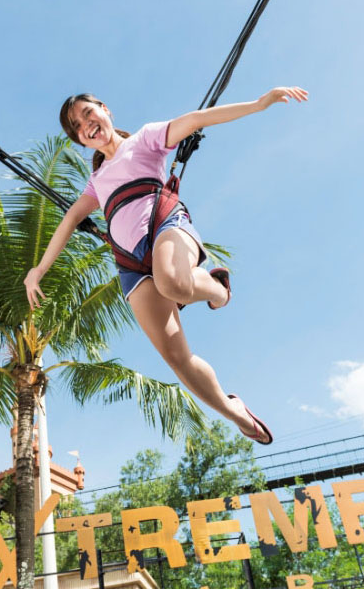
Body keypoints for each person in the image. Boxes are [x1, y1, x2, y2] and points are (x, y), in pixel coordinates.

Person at [24, 88, 308, 443]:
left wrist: (258, 104)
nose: (86, 125)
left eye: (87, 113)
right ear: (80, 139)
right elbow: (69, 220)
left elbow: (196, 120)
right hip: (130, 264)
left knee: (172, 282)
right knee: (176, 358)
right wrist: (39, 269)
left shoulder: (144, 139)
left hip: (166, 227)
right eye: (77, 126)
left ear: (105, 109)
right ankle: (234, 410)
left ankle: (218, 288)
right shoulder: (96, 182)